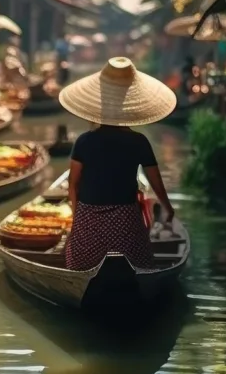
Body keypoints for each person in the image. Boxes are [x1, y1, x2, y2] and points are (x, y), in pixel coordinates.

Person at [60, 57, 176, 272]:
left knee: (78, 260)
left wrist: (78, 221)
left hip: (88, 220)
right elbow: (155, 181)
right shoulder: (139, 141)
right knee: (141, 264)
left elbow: (73, 185)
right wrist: (168, 208)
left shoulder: (85, 141)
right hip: (125, 221)